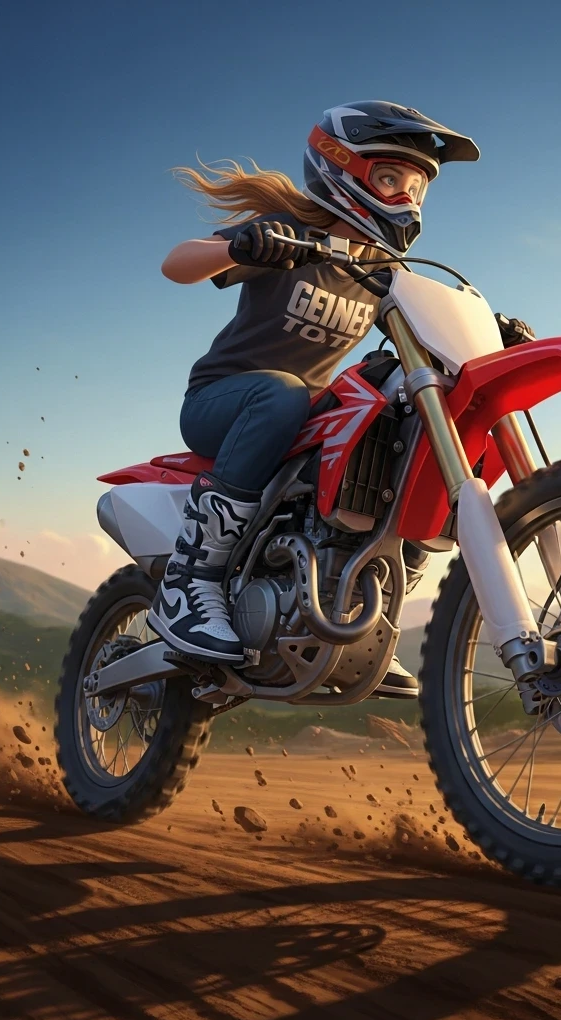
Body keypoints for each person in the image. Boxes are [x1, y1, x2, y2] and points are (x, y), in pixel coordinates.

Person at [147, 100, 481, 697]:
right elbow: (176, 264)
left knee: (402, 402)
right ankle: (188, 582)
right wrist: (243, 246)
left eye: (415, 190)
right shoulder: (288, 235)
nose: (404, 199)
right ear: (341, 167)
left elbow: (425, 337)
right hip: (222, 406)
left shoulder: (380, 270)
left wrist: (489, 330)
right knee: (283, 393)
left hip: (298, 418)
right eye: (389, 179)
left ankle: (368, 616)